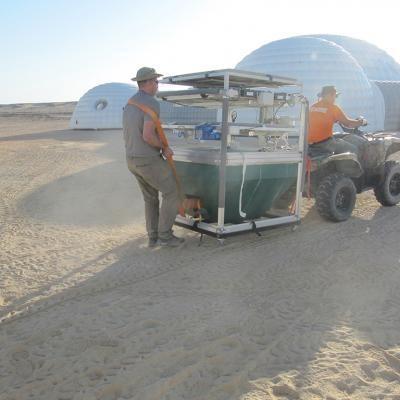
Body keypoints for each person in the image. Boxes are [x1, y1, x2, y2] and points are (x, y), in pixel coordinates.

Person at [123, 67, 184, 248]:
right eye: (156, 81)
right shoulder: (151, 102)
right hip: (147, 159)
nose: (157, 85)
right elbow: (148, 136)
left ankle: (153, 237)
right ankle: (165, 236)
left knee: (150, 199)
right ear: (148, 83)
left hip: (131, 159)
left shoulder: (130, 102)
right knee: (173, 192)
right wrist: (164, 147)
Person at [308, 86, 366, 157]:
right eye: (335, 96)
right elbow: (348, 124)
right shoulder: (333, 108)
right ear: (330, 95)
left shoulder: (313, 107)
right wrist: (361, 122)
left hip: (310, 143)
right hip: (325, 143)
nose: (335, 99)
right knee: (354, 150)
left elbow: (319, 121)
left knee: (338, 138)